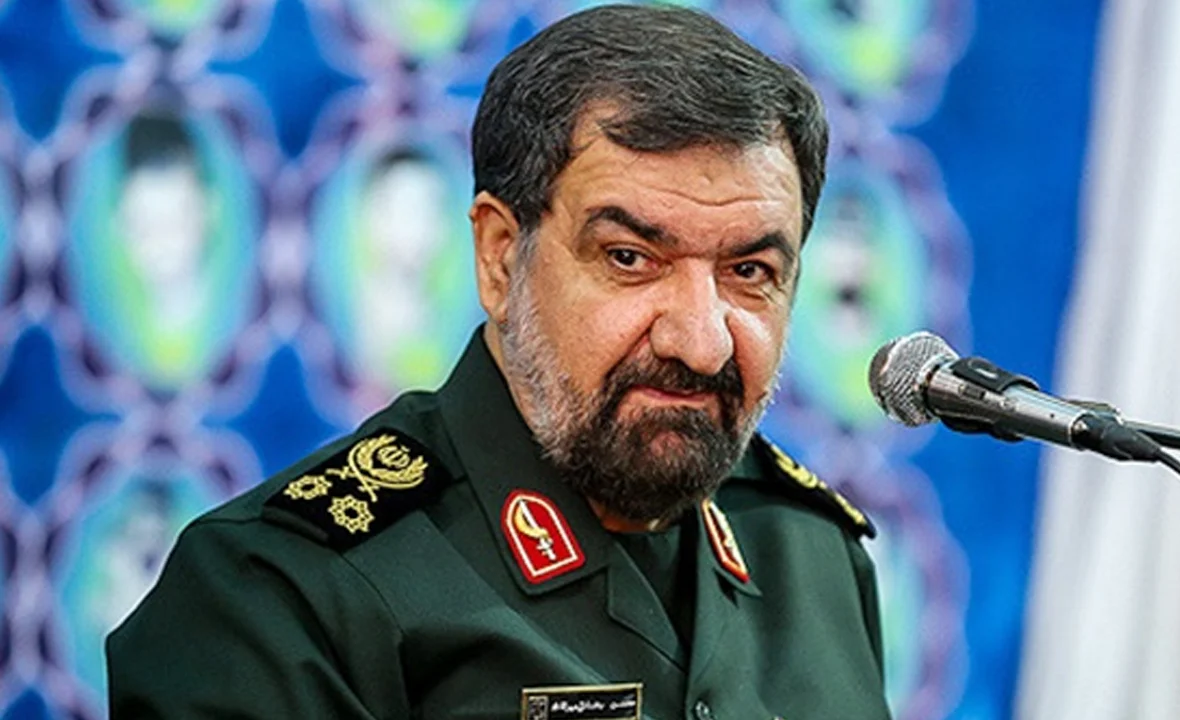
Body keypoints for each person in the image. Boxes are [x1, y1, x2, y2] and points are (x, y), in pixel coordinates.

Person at [106, 5, 891, 718]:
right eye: (629, 258)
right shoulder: (282, 595)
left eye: (749, 271)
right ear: (499, 255)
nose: (701, 341)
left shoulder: (812, 554)